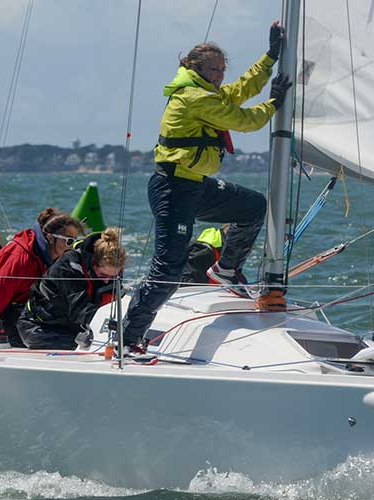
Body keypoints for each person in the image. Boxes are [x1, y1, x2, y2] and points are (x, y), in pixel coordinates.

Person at [122, 23, 292, 349]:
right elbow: (244, 120)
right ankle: (127, 340)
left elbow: (240, 90)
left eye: (222, 69)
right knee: (168, 269)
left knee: (255, 207)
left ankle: (226, 269)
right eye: (214, 69)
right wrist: (273, 103)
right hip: (173, 189)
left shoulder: (208, 92)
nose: (221, 75)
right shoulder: (193, 97)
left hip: (196, 185)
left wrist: (270, 57)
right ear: (194, 68)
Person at [0, 208, 85, 346]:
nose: (71, 248)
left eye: (75, 242)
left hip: (14, 302)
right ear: (50, 238)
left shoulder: (49, 256)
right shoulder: (22, 258)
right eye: (69, 241)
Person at [17, 228, 126, 350]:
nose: (107, 281)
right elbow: (80, 311)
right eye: (103, 275)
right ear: (93, 262)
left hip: (73, 326)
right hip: (39, 328)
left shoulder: (112, 270)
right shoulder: (69, 267)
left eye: (113, 277)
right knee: (89, 345)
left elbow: (117, 302)